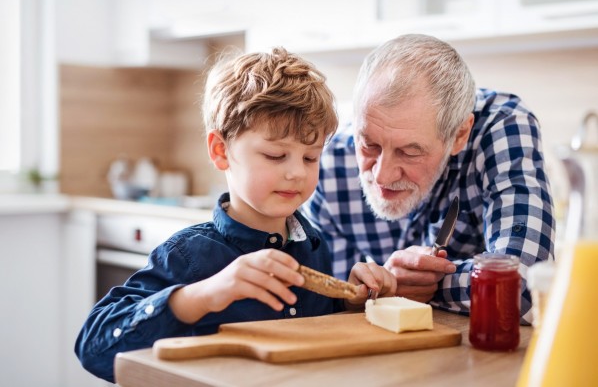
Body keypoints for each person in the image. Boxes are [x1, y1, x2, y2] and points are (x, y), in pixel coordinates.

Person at [75, 47, 396, 383]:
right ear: (220, 151)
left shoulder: (314, 244)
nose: (296, 173)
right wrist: (201, 295)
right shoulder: (188, 255)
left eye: (310, 158)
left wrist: (353, 303)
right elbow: (92, 347)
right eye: (275, 155)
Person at [302, 34, 556, 325]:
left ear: (460, 135)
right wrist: (361, 291)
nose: (382, 175)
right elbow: (327, 300)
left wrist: (413, 286)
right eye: (369, 144)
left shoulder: (502, 127)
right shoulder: (332, 161)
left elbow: (524, 287)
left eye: (410, 152)